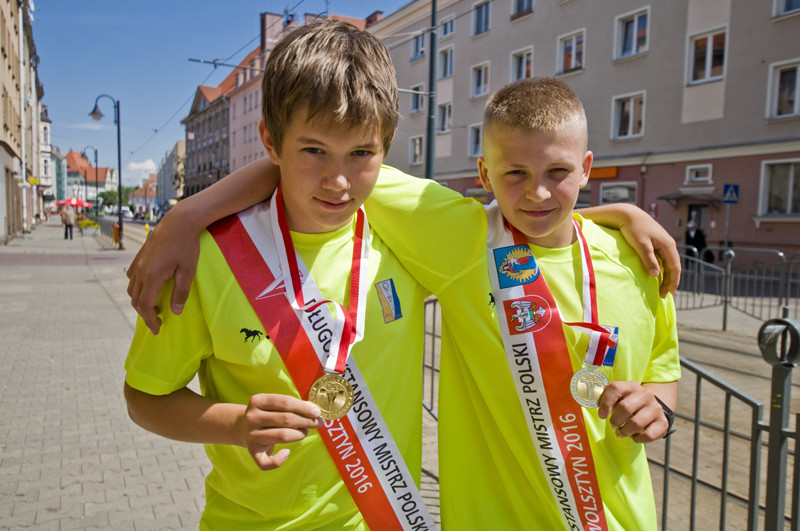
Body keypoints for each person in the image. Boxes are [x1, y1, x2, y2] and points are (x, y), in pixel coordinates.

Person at [127, 77, 681, 529]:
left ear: (586, 168)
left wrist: (661, 407)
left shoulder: (642, 260)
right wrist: (186, 215)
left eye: (558, 173)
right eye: (515, 173)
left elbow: (662, 366)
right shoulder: (459, 239)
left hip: (623, 518)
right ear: (486, 175)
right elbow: (313, 158)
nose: (537, 192)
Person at [123, 21, 440, 529]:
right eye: (313, 150)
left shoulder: (407, 232)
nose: (338, 181)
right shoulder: (205, 257)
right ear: (270, 141)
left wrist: (614, 218)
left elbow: (526, 218)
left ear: (386, 144)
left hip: (386, 517)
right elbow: (143, 396)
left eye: (361, 153)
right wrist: (235, 424)